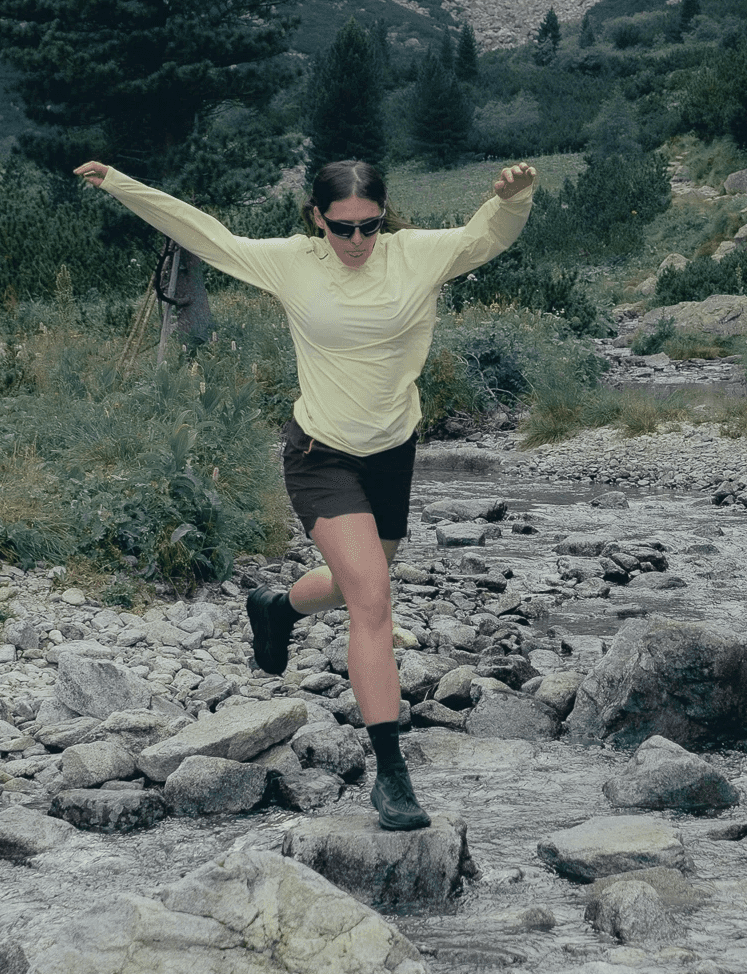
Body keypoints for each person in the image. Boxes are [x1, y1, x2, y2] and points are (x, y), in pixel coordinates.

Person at [75, 157, 537, 830]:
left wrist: (516, 195)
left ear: (385, 215)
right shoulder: (293, 262)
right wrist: (122, 184)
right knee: (374, 600)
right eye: (341, 229)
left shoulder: (417, 256)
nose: (355, 243)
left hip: (392, 451)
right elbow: (206, 235)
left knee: (360, 584)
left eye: (369, 227)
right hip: (321, 455)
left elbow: (487, 235)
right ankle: (391, 776)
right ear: (318, 219)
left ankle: (276, 608)